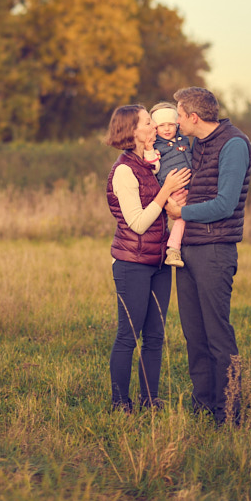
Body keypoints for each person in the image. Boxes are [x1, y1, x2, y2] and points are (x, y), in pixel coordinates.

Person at [165, 86, 251, 426]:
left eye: (179, 114)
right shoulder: (195, 143)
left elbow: (225, 204)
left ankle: (228, 413)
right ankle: (203, 406)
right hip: (188, 250)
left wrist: (181, 212)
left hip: (215, 250)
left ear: (193, 117)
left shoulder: (234, 144)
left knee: (217, 335)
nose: (176, 119)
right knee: (194, 334)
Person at [105, 104, 191, 412]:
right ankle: (120, 403)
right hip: (132, 264)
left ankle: (149, 400)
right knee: (128, 335)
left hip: (158, 262)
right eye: (147, 123)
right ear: (132, 131)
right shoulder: (125, 170)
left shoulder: (151, 162)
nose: (154, 126)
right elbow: (138, 222)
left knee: (155, 336)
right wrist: (166, 189)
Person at [147, 102, 193, 267]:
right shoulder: (155, 145)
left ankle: (176, 247)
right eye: (161, 125)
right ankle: (173, 249)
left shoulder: (184, 140)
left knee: (186, 216)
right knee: (182, 216)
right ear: (155, 127)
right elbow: (152, 165)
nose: (166, 129)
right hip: (173, 188)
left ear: (177, 124)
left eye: (170, 125)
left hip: (189, 186)